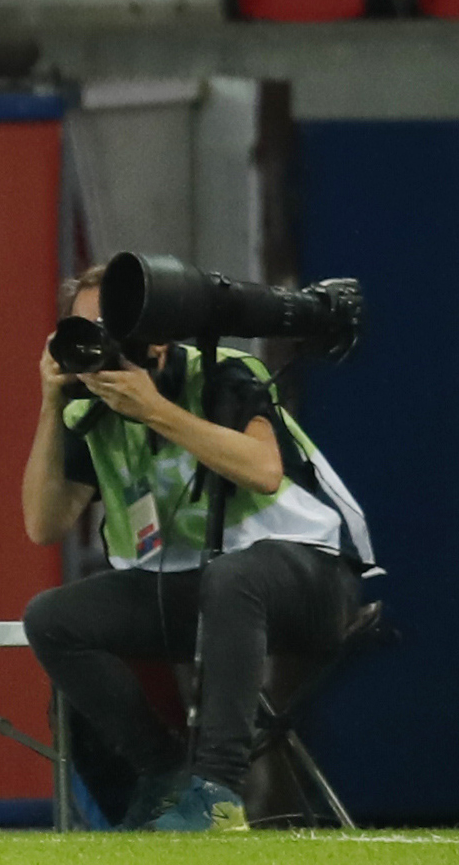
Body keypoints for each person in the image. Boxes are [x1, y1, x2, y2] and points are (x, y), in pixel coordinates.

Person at [21, 265, 375, 832]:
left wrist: (156, 411)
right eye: (83, 330)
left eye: (109, 328)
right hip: (194, 592)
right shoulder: (90, 413)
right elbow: (44, 524)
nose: (98, 345)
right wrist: (49, 403)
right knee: (52, 618)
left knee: (234, 576)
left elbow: (262, 471)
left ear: (154, 337)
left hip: (308, 577)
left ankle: (217, 793)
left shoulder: (223, 373)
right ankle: (163, 774)